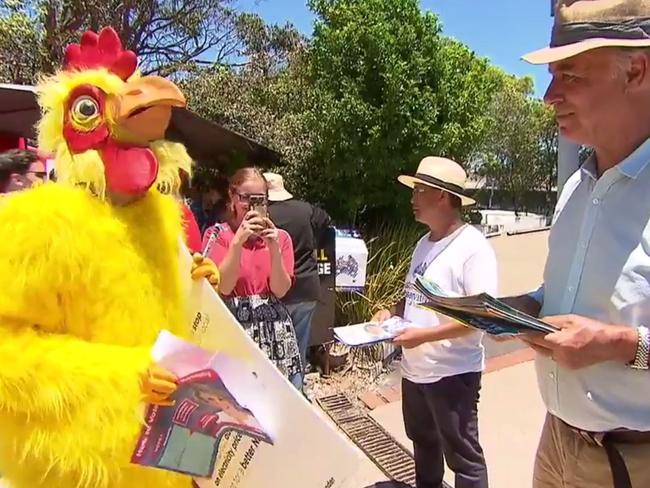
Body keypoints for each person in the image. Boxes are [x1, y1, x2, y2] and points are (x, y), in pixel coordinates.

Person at [503, 2, 650, 487]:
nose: (549, 96)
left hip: (630, 462)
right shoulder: (576, 189)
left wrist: (619, 344)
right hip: (557, 445)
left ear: (637, 70)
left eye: (570, 75)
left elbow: (615, 333)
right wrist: (527, 308)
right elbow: (567, 295)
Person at [371, 156, 496, 488]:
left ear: (442, 196)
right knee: (424, 448)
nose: (412, 199)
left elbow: (481, 316)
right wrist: (391, 313)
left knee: (464, 459)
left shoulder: (473, 248)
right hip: (415, 371)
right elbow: (412, 294)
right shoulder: (423, 244)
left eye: (419, 190)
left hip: (453, 374)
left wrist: (423, 336)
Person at [202, 167, 303, 387]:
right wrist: (237, 242)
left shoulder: (281, 238)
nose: (250, 205)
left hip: (275, 333)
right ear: (232, 196)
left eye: (258, 199)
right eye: (245, 198)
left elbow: (280, 290)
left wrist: (274, 247)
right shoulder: (217, 235)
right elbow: (224, 288)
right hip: (234, 331)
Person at [263, 172, 331, 384]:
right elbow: (326, 221)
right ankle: (298, 393)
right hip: (307, 287)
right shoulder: (306, 209)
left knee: (273, 352)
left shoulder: (264, 215)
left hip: (277, 289)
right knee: (298, 349)